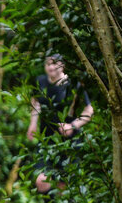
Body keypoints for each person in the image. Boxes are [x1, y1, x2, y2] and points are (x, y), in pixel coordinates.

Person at [26, 53, 94, 195]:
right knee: (41, 181)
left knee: (64, 185)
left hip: (69, 141)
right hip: (47, 139)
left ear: (62, 65)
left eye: (54, 63)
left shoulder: (73, 84)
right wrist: (33, 124)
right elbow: (36, 102)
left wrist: (73, 125)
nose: (50, 67)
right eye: (47, 64)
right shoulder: (40, 81)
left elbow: (89, 111)